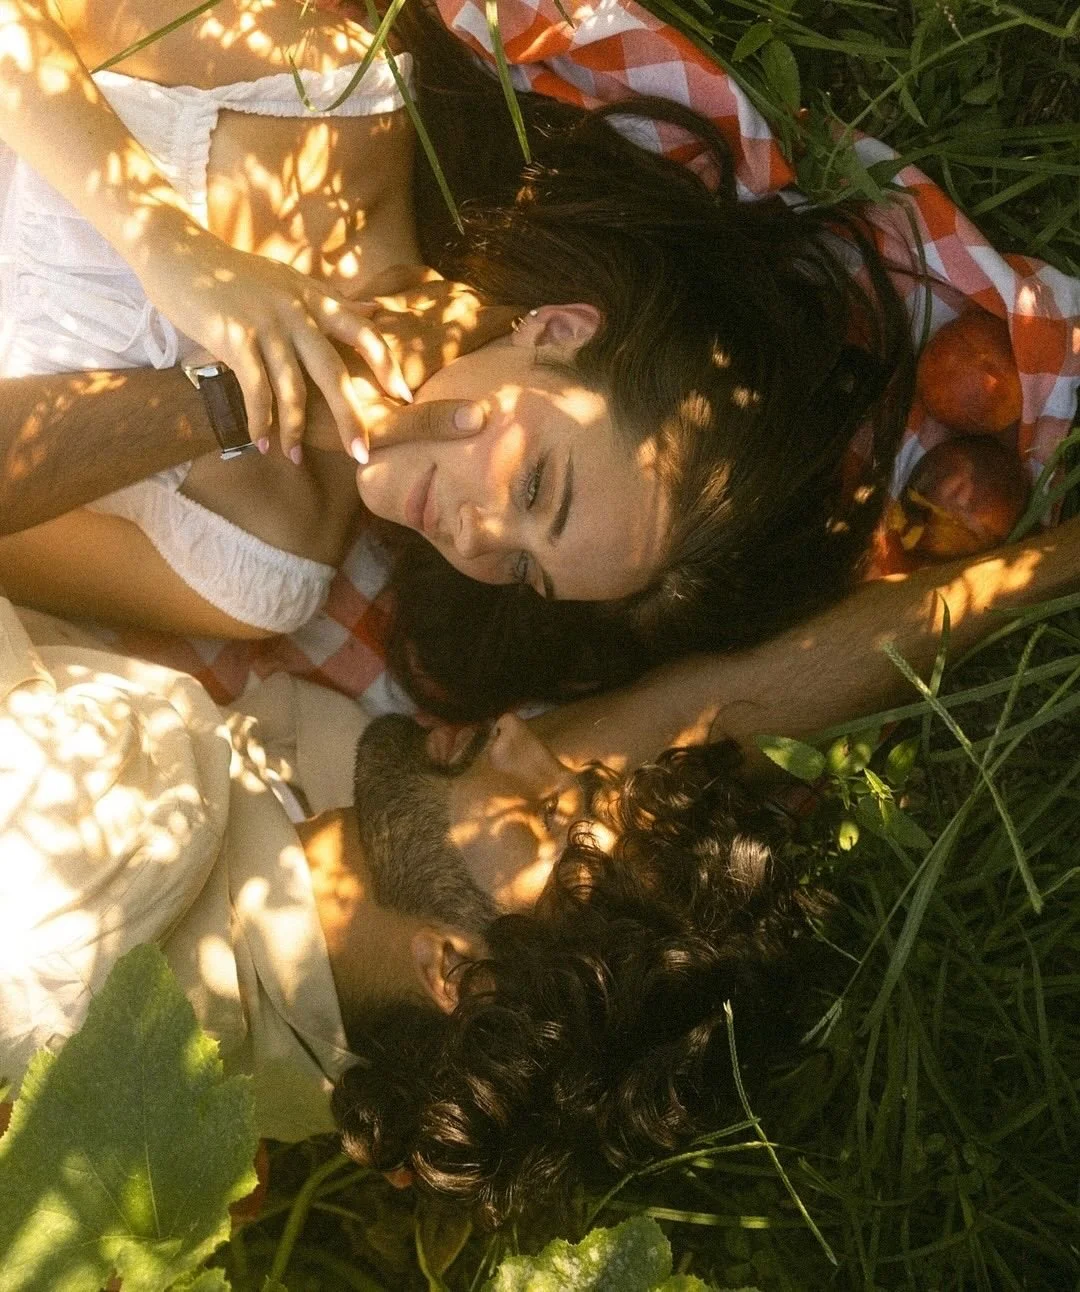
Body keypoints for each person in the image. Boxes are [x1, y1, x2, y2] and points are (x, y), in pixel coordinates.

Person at [3, 513, 1078, 1178]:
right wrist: (1045, 567)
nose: (520, 736)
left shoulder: (112, 858)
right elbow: (718, 705)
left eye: (547, 818)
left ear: (451, 967)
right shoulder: (325, 1022)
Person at [0, 0, 921, 647]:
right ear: (557, 333)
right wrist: (168, 248)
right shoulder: (324, 108)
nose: (478, 542)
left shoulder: (257, 575)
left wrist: (225, 403)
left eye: (525, 573)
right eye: (532, 492)